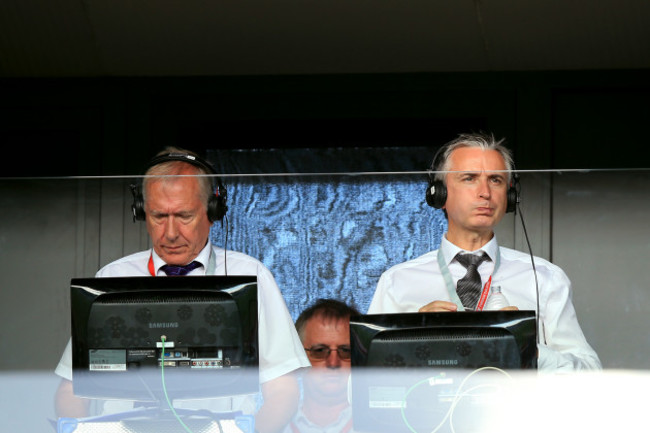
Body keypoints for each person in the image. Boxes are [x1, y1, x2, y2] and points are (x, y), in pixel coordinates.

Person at [54, 147, 311, 433]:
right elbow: (70, 391)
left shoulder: (251, 275)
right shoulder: (113, 277)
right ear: (141, 212)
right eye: (159, 216)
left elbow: (284, 391)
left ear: (213, 211)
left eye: (184, 216)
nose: (171, 232)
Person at [368, 132, 601, 371]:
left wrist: (529, 349)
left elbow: (590, 373)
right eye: (469, 178)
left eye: (496, 180)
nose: (485, 193)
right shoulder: (397, 282)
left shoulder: (544, 278)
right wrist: (411, 340)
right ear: (439, 193)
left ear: (511, 197)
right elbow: (362, 386)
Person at [285, 299, 360, 433]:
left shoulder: (384, 425)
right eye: (319, 351)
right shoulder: (271, 426)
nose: (333, 363)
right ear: (298, 357)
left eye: (345, 351)